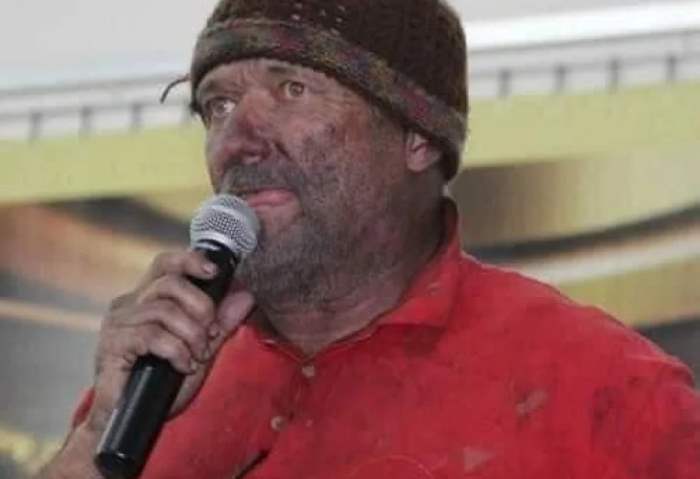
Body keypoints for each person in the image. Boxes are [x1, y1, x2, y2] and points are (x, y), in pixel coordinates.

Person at [39, 0, 700, 478]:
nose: (237, 138)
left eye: (292, 88)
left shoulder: (605, 387)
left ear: (418, 137)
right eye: (219, 105)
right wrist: (95, 437)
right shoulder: (150, 393)